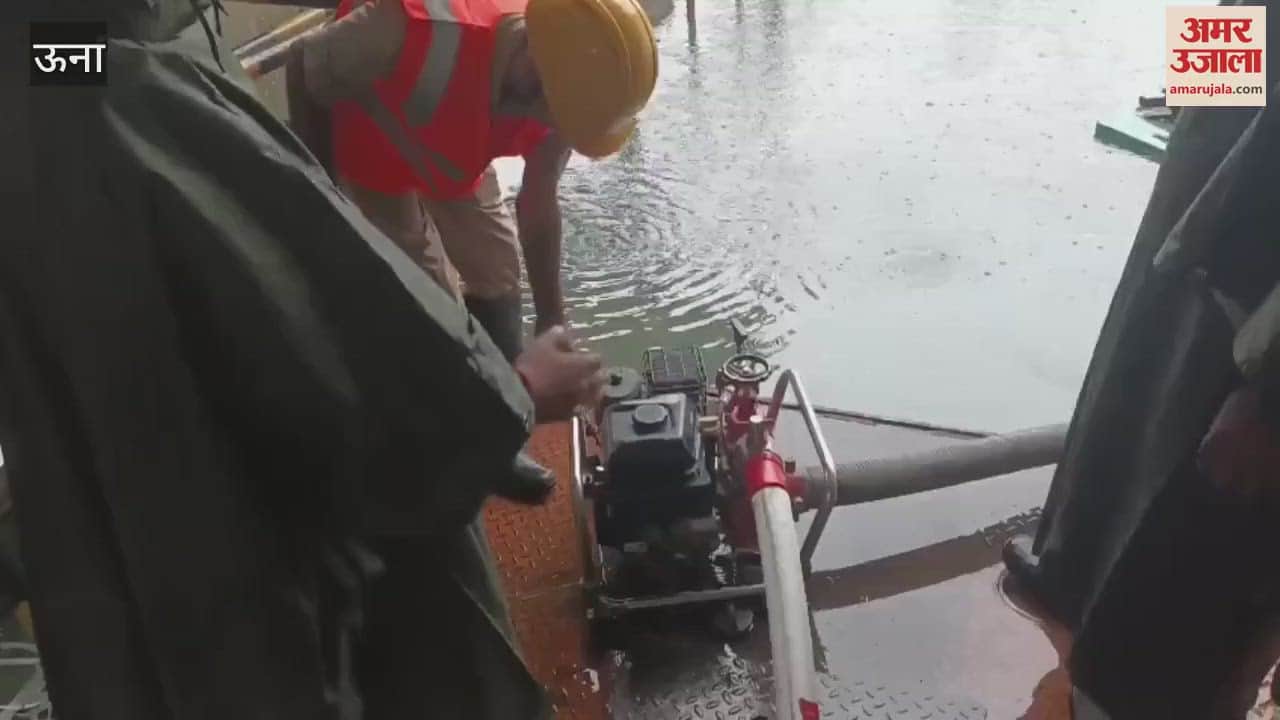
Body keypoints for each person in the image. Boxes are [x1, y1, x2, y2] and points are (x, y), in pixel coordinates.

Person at [5, 0, 603, 716]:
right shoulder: (143, 104)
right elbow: (343, 374)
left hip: (121, 570)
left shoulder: (39, 68)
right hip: (255, 617)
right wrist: (517, 388)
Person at [284, 0, 657, 501]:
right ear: (533, 63)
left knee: (499, 276)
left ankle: (500, 439)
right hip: (376, 155)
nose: (558, 128)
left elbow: (540, 198)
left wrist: (553, 322)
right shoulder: (408, 25)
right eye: (555, 111)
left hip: (456, 154)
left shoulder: (570, 92)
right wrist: (322, 198)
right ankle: (460, 444)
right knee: (431, 307)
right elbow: (304, 66)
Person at [1003, 69, 1280, 717]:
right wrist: (1195, 89)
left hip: (1257, 302)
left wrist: (1269, 395)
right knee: (1144, 339)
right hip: (1234, 118)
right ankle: (1074, 562)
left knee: (1172, 629)